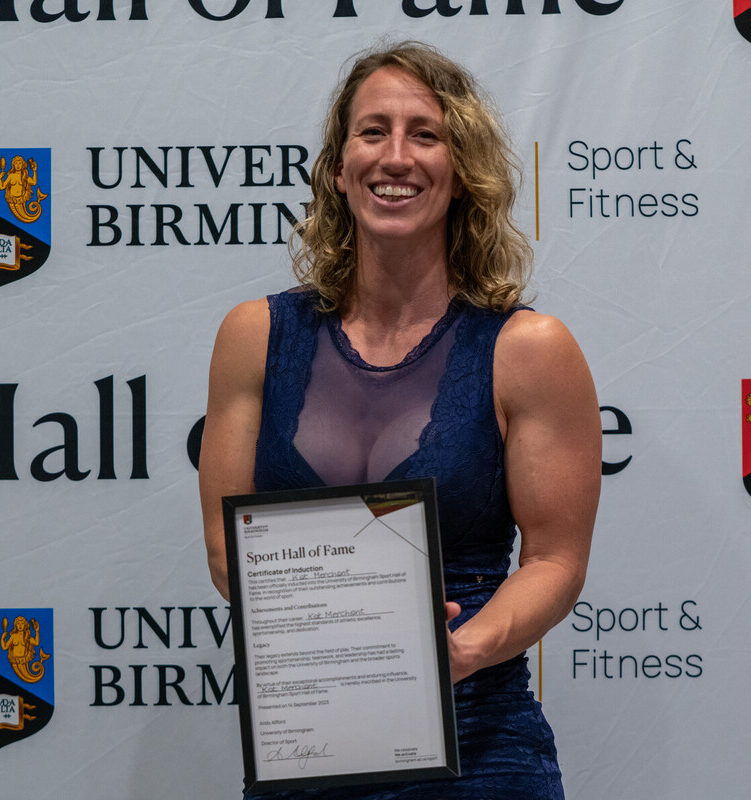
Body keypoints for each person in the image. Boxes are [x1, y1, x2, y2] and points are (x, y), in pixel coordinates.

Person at [200, 41, 601, 800]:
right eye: (372, 130)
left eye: (426, 133)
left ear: (463, 172)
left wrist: (455, 650)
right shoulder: (253, 337)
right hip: (310, 745)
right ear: (339, 167)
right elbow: (228, 555)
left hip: (480, 746)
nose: (396, 156)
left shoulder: (527, 350)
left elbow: (555, 561)